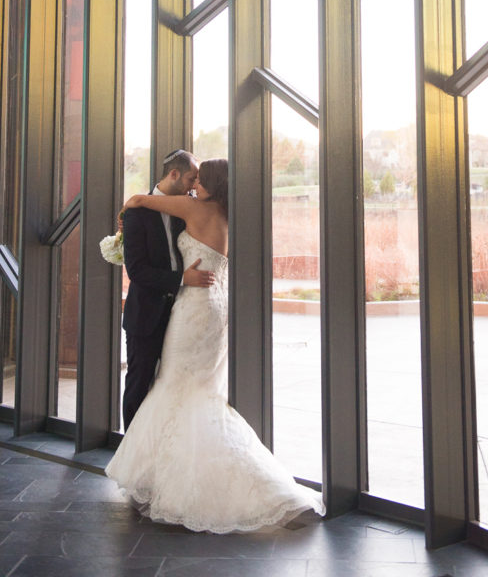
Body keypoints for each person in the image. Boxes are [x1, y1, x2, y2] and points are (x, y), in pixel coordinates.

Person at [106, 158, 325, 533]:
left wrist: (126, 209)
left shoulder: (193, 208)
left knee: (177, 387)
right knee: (200, 393)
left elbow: (139, 201)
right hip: (216, 309)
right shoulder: (226, 213)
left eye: (199, 179)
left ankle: (162, 479)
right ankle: (168, 474)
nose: (194, 184)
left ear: (211, 184)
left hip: (194, 308)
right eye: (192, 177)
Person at [121, 149, 214, 432]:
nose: (193, 185)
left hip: (183, 314)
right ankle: (131, 449)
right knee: (139, 383)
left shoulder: (186, 208)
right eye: (190, 178)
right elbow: (137, 271)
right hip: (146, 315)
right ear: (173, 174)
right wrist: (182, 279)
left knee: (172, 383)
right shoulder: (136, 212)